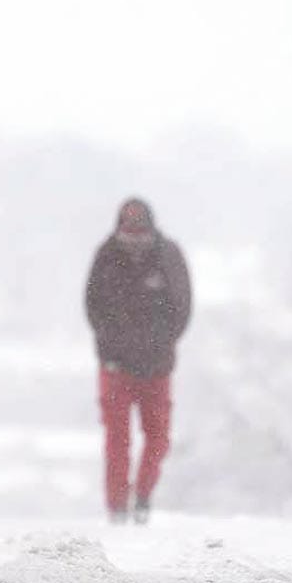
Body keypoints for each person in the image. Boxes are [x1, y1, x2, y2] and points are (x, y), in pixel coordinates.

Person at [85, 198, 190, 524]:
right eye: (127, 232)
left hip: (157, 368)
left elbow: (182, 307)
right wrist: (111, 347)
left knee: (158, 437)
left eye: (139, 232)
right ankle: (117, 506)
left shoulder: (169, 256)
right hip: (115, 367)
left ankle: (143, 496)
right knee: (117, 439)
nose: (132, 240)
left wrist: (161, 344)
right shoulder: (106, 255)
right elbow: (93, 306)